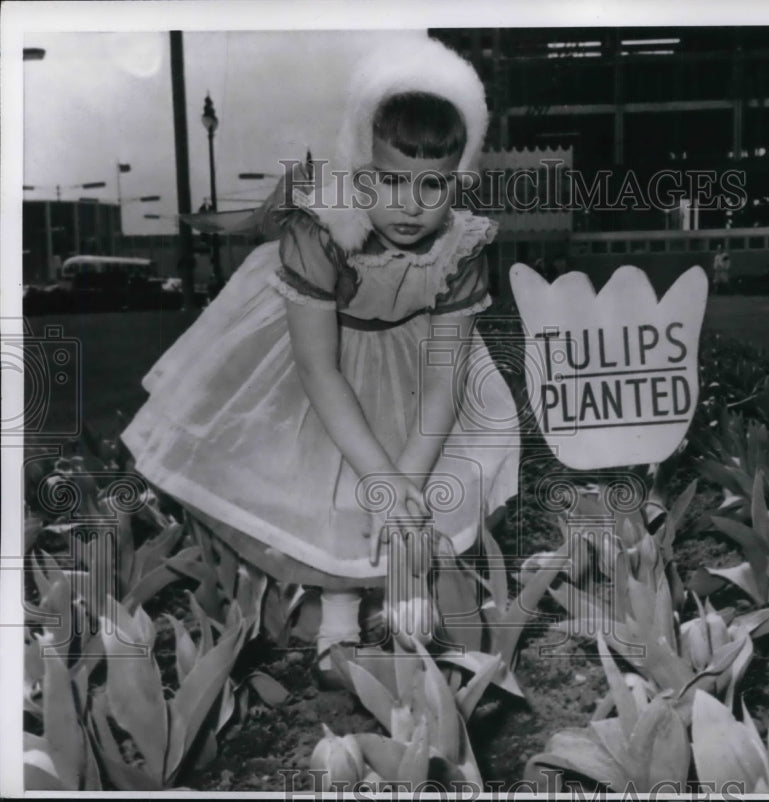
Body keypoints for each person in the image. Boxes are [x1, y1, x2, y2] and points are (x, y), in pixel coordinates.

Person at [121, 37, 520, 678]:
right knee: (328, 474)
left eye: (434, 185)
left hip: (416, 362)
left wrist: (404, 486)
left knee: (418, 478)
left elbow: (445, 383)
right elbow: (318, 369)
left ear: (459, 179)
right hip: (322, 354)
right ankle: (336, 623)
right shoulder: (322, 228)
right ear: (361, 171)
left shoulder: (461, 245)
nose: (412, 205)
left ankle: (404, 608)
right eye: (391, 180)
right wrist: (379, 480)